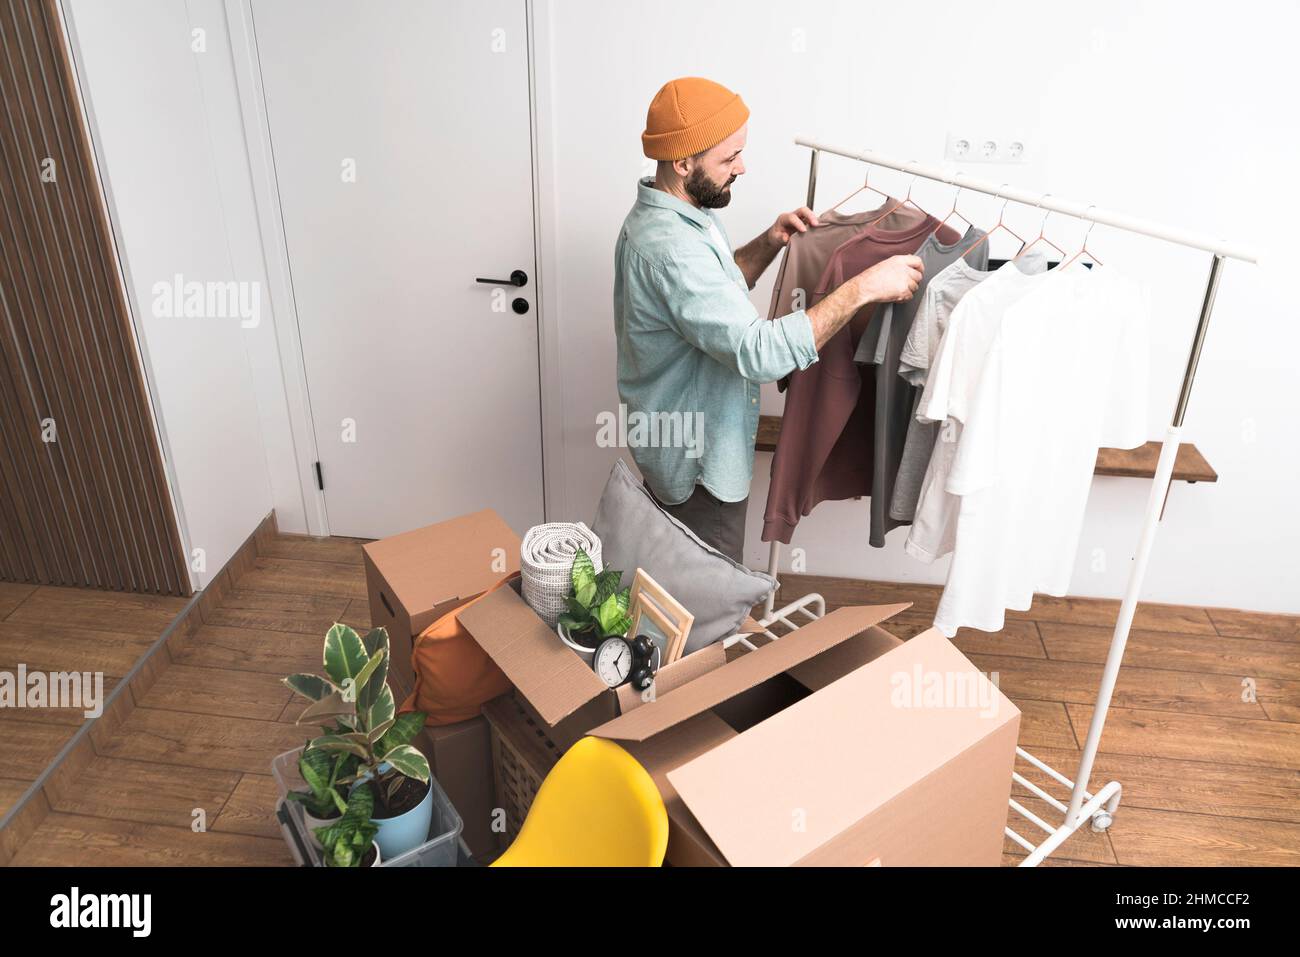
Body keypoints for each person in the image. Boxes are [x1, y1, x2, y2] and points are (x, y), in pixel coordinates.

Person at [613, 76, 922, 562]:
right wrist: (862, 289)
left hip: (686, 445)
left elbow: (711, 298)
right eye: (729, 157)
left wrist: (770, 241)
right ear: (684, 160)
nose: (742, 167)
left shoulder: (683, 212)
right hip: (697, 468)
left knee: (683, 591)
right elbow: (757, 353)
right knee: (706, 604)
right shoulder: (672, 248)